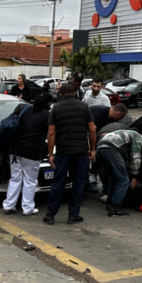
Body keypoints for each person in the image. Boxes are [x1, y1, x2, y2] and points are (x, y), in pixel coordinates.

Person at [44, 82, 96, 225]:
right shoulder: (84, 107)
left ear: (60, 94)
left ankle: (50, 215)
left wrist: (50, 154)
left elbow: (51, 133)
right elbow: (92, 130)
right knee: (78, 183)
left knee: (58, 182)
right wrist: (92, 149)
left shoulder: (56, 109)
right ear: (74, 93)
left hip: (63, 151)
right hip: (80, 151)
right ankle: (73, 215)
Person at [3, 92, 53, 216]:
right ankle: (27, 208)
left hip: (15, 150)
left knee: (15, 178)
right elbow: (49, 134)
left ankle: (9, 205)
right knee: (30, 181)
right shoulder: (47, 115)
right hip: (33, 152)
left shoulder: (24, 110)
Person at [96, 127, 142, 217]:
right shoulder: (138, 136)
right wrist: (134, 175)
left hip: (100, 147)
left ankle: (110, 204)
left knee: (114, 177)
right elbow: (135, 157)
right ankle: (115, 208)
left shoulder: (123, 133)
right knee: (123, 180)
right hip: (111, 148)